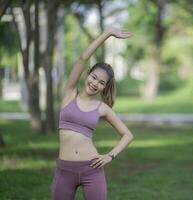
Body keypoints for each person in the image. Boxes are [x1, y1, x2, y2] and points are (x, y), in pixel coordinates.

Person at [51, 28, 134, 200]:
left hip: (92, 170)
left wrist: (110, 156)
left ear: (105, 87)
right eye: (94, 77)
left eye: (101, 82)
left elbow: (127, 135)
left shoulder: (102, 108)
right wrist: (107, 33)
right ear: (87, 74)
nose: (95, 83)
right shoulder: (70, 93)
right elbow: (83, 57)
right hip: (64, 170)